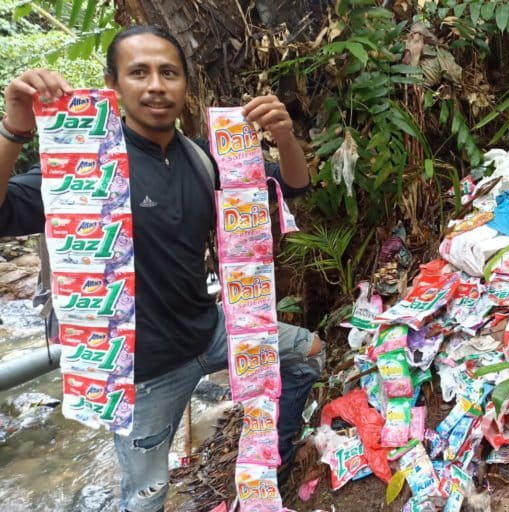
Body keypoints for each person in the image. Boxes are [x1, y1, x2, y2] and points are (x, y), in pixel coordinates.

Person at [0, 25, 323, 512]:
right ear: (114, 86)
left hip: (210, 331)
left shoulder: (203, 157)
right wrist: (15, 127)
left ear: (184, 86)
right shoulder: (87, 165)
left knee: (309, 352)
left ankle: (268, 460)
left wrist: (283, 134)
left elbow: (292, 187)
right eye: (139, 72)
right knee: (147, 498)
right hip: (142, 371)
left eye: (168, 72)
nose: (155, 85)